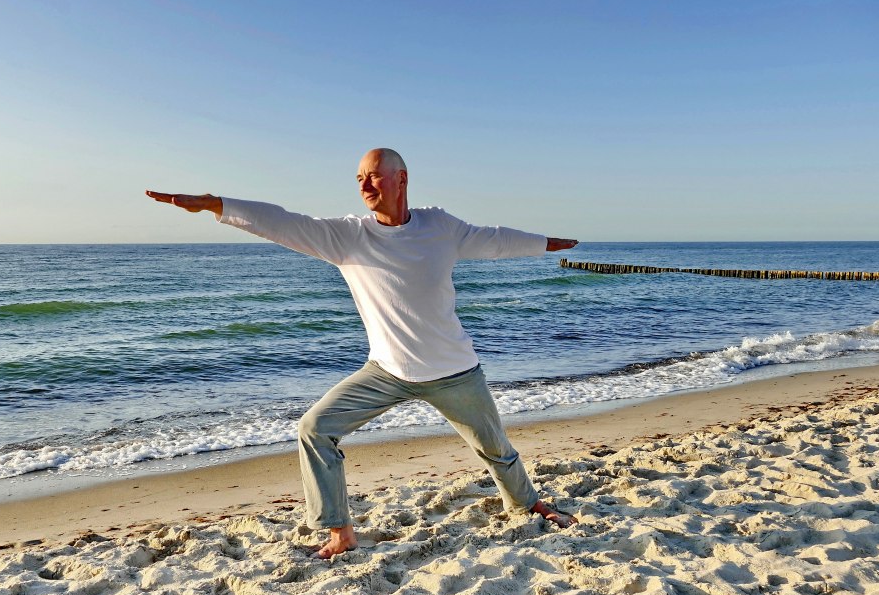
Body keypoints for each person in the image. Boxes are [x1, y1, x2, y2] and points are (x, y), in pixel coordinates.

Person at [147, 148, 579, 559]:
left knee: (495, 449)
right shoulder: (347, 236)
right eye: (359, 178)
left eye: (373, 175)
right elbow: (282, 222)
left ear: (401, 179)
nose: (364, 184)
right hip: (386, 371)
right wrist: (216, 204)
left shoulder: (440, 227)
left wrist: (545, 243)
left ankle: (527, 506)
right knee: (315, 429)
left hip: (454, 372)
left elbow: (494, 240)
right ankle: (340, 531)